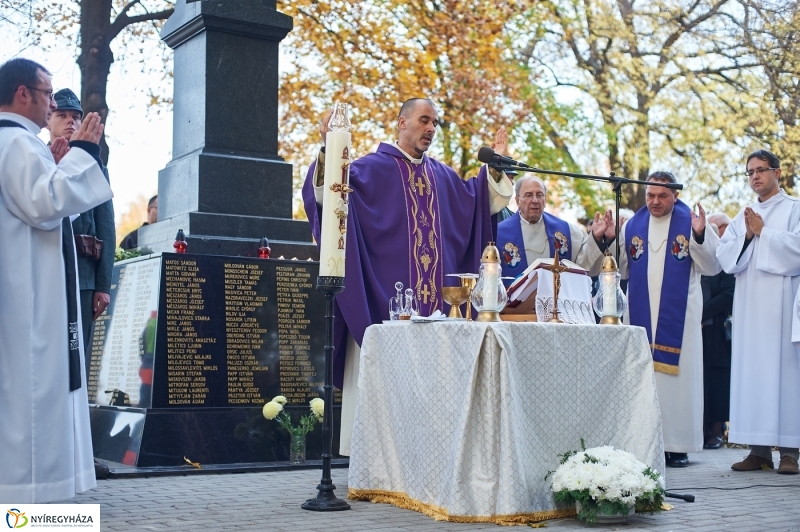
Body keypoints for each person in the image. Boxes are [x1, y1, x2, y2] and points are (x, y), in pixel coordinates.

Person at [302, 98, 512, 455]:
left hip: (435, 317)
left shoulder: (442, 176)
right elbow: (328, 194)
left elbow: (478, 201)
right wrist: (330, 152)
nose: (431, 129)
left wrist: (494, 169)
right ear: (402, 122)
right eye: (424, 120)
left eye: (435, 123)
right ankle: (374, 461)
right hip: (380, 306)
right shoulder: (369, 170)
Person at [0, 57, 113, 502]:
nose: (51, 105)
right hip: (30, 306)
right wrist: (84, 153)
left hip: (25, 293)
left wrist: (56, 164)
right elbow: (47, 203)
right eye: (47, 94)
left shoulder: (20, 145)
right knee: (33, 403)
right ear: (23, 93)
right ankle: (31, 514)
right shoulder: (16, 142)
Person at [618, 171, 720, 468]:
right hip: (640, 314)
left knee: (679, 382)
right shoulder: (633, 225)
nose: (655, 201)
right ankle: (646, 442)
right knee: (645, 379)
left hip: (681, 318)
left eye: (663, 196)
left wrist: (700, 235)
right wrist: (608, 239)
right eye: (650, 195)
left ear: (675, 195)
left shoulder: (691, 220)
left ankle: (678, 445)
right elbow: (622, 269)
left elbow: (712, 266)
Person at [717, 149, 800, 475]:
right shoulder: (743, 216)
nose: (755, 176)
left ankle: (791, 452)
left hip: (782, 307)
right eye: (750, 171)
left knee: (786, 377)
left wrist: (765, 232)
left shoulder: (794, 209)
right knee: (754, 375)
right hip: (750, 307)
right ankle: (759, 451)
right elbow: (727, 258)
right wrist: (749, 234)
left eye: (761, 170)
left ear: (777, 173)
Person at [47, 88, 115, 369]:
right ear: (48, 118)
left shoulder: (93, 164)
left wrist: (102, 286)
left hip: (84, 277)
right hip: (46, 272)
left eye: (76, 116)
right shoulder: (37, 157)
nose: (70, 121)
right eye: (62, 115)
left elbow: (106, 226)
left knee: (77, 361)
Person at [497, 175, 614, 282]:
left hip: (557, 301)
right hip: (515, 304)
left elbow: (582, 264)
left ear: (545, 200)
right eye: (528, 195)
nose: (535, 200)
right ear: (518, 201)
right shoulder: (499, 233)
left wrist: (596, 237)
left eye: (539, 195)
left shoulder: (565, 230)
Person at [700, 213, 734, 450]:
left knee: (717, 381)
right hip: (695, 331)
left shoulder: (725, 261)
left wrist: (698, 313)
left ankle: (716, 431)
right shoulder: (697, 259)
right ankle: (699, 430)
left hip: (716, 331)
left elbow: (729, 296)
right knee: (700, 382)